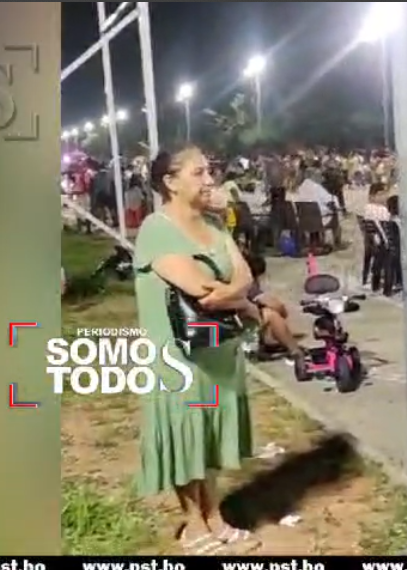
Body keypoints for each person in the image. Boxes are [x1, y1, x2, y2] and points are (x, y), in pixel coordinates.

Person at [133, 144, 255, 552]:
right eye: (198, 172)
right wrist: (243, 302)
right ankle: (193, 523)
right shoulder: (156, 229)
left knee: (209, 435)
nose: (209, 179)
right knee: (185, 435)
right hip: (178, 357)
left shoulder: (215, 225)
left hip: (217, 352)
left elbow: (244, 275)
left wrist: (235, 294)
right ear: (170, 182)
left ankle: (215, 515)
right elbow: (201, 290)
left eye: (209, 171)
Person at [241, 254, 303, 360]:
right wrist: (282, 313)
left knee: (263, 312)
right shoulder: (247, 283)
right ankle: (294, 350)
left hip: (234, 317)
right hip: (237, 320)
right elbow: (275, 305)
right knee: (272, 315)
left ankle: (270, 341)